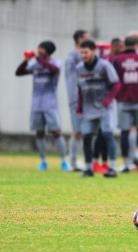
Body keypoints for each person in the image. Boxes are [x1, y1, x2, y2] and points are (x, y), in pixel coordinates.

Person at [16, 41, 68, 171]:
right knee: (39, 133)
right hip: (36, 104)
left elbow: (55, 70)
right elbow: (18, 72)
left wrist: (39, 59)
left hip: (50, 104)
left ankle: (64, 161)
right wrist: (26, 61)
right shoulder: (35, 64)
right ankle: (43, 161)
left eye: (42, 49)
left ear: (49, 51)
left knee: (56, 132)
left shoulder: (56, 62)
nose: (39, 51)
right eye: (38, 49)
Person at [76, 40, 122, 178]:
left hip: (103, 107)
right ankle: (88, 168)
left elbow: (116, 84)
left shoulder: (104, 65)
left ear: (93, 51)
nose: (83, 55)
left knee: (107, 135)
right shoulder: (79, 68)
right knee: (87, 137)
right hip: (88, 107)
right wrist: (79, 107)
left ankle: (112, 168)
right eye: (81, 52)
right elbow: (80, 89)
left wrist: (107, 100)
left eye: (86, 52)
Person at [112, 36, 138, 173]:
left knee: (124, 131)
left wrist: (117, 95)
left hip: (123, 100)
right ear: (136, 45)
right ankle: (137, 154)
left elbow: (113, 79)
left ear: (124, 45)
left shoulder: (117, 60)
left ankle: (126, 163)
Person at [65, 29, 90, 172]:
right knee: (77, 130)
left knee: (83, 130)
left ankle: (76, 160)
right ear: (79, 39)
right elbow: (72, 79)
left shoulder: (81, 55)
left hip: (84, 98)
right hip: (77, 98)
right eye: (86, 38)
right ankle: (73, 161)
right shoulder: (73, 56)